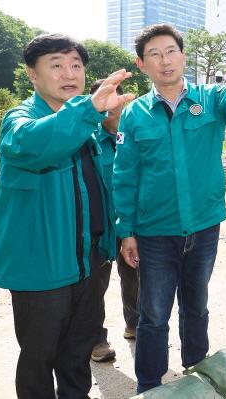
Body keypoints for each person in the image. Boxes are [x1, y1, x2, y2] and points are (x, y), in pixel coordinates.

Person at [113, 24, 226, 393]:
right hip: (154, 232)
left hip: (203, 227)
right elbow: (125, 174)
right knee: (153, 315)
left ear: (183, 55)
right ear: (142, 63)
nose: (165, 61)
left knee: (196, 306)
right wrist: (126, 230)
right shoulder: (134, 115)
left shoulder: (209, 100)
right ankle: (149, 384)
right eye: (155, 54)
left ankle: (198, 372)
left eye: (170, 51)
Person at [0, 33, 133, 399]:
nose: (69, 73)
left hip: (90, 262)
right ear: (32, 75)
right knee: (40, 357)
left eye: (76, 65)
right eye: (56, 65)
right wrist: (89, 111)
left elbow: (108, 186)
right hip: (42, 266)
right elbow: (36, 145)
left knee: (77, 354)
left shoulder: (89, 128)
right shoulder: (19, 121)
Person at [88, 80, 140, 363]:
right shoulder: (89, 138)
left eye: (115, 97)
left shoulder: (135, 134)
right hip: (100, 224)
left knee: (133, 275)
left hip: (131, 220)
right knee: (96, 283)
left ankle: (134, 324)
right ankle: (96, 339)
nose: (111, 104)